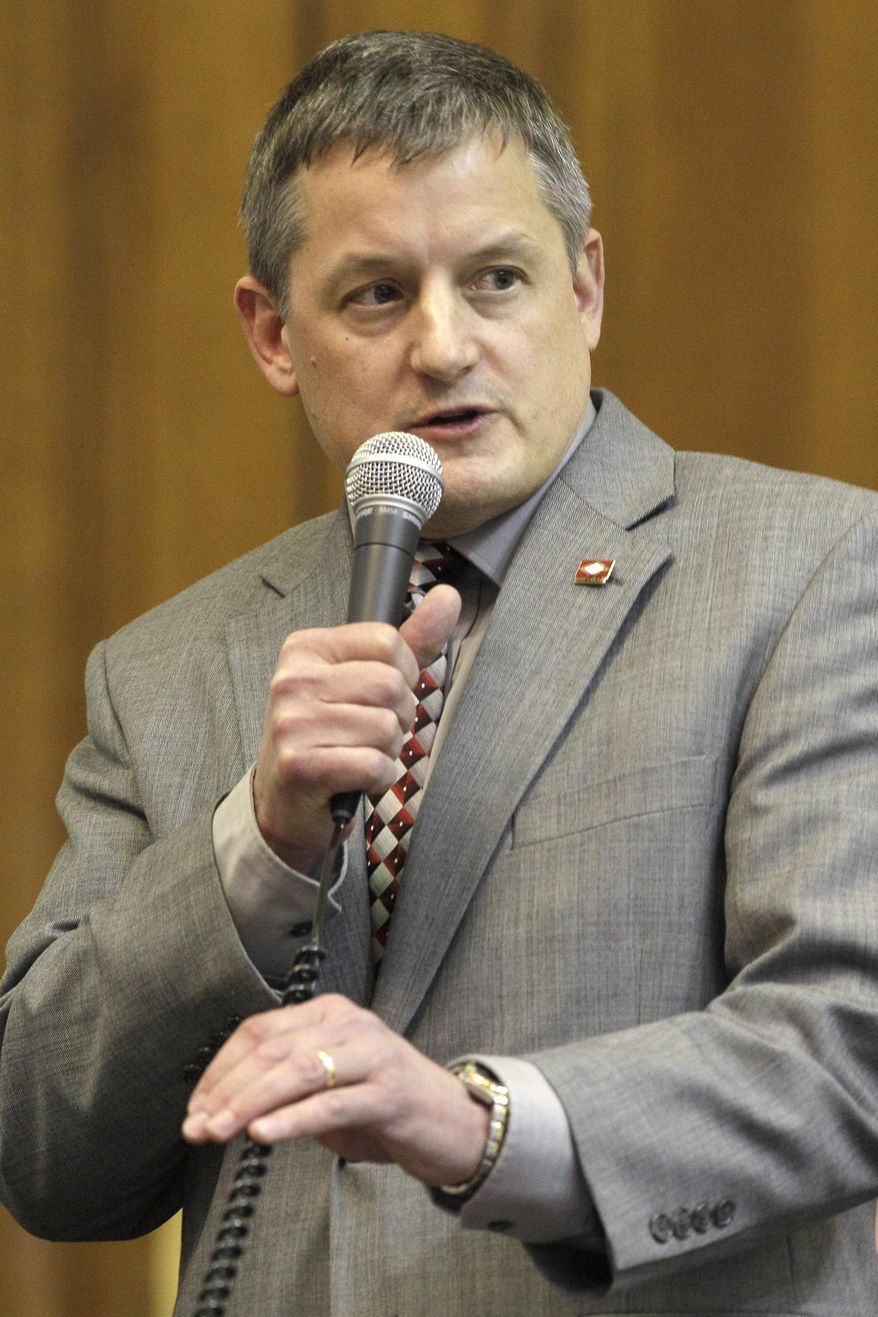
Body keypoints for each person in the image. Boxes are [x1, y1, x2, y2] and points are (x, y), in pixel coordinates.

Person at [1, 29, 877, 1317]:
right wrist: (257, 850)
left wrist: (477, 1125)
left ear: (584, 289)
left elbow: (847, 1047)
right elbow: (40, 1149)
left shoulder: (813, 569)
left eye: (497, 279)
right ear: (273, 334)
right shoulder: (165, 670)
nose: (445, 345)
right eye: (375, 295)